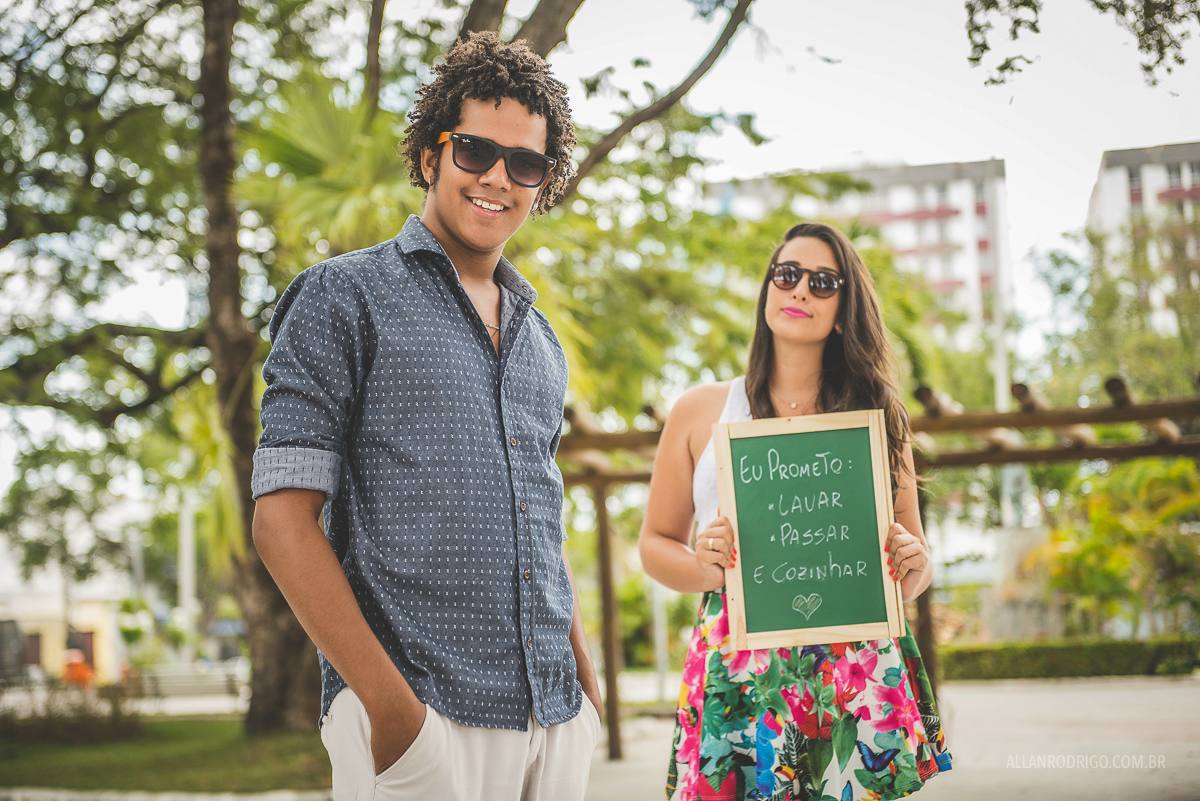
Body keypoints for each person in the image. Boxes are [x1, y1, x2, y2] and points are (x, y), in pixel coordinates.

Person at [251, 32, 601, 801]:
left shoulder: (541, 340)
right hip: (422, 716)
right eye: (476, 151)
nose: (498, 178)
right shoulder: (342, 297)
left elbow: (539, 521)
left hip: (555, 721)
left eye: (526, 163)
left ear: (544, 182)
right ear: (430, 153)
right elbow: (281, 520)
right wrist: (392, 711)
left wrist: (586, 685)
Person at [639, 222, 953, 801]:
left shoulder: (878, 416)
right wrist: (704, 569)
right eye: (787, 275)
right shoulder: (699, 410)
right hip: (737, 663)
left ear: (844, 310)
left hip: (854, 667)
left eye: (823, 282)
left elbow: (914, 564)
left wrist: (914, 562)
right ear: (767, 291)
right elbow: (655, 543)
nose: (801, 290)